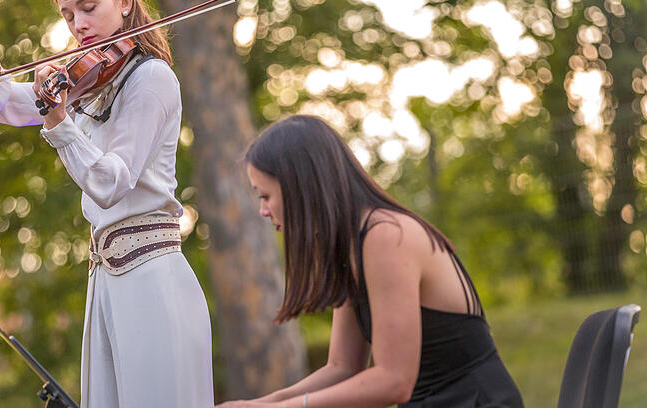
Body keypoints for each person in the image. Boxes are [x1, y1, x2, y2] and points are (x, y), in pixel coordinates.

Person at [0, 0, 214, 407]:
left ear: (125, 1)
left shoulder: (151, 78)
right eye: (68, 14)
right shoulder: (86, 84)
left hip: (152, 277)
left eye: (88, 7)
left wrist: (58, 123)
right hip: (106, 277)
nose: (78, 24)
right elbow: (6, 103)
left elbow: (110, 183)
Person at [217, 115, 523, 407]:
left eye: (265, 196)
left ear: (301, 186)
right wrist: (258, 403)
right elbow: (341, 367)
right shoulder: (348, 245)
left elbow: (394, 381)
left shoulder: (385, 236)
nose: (263, 211)